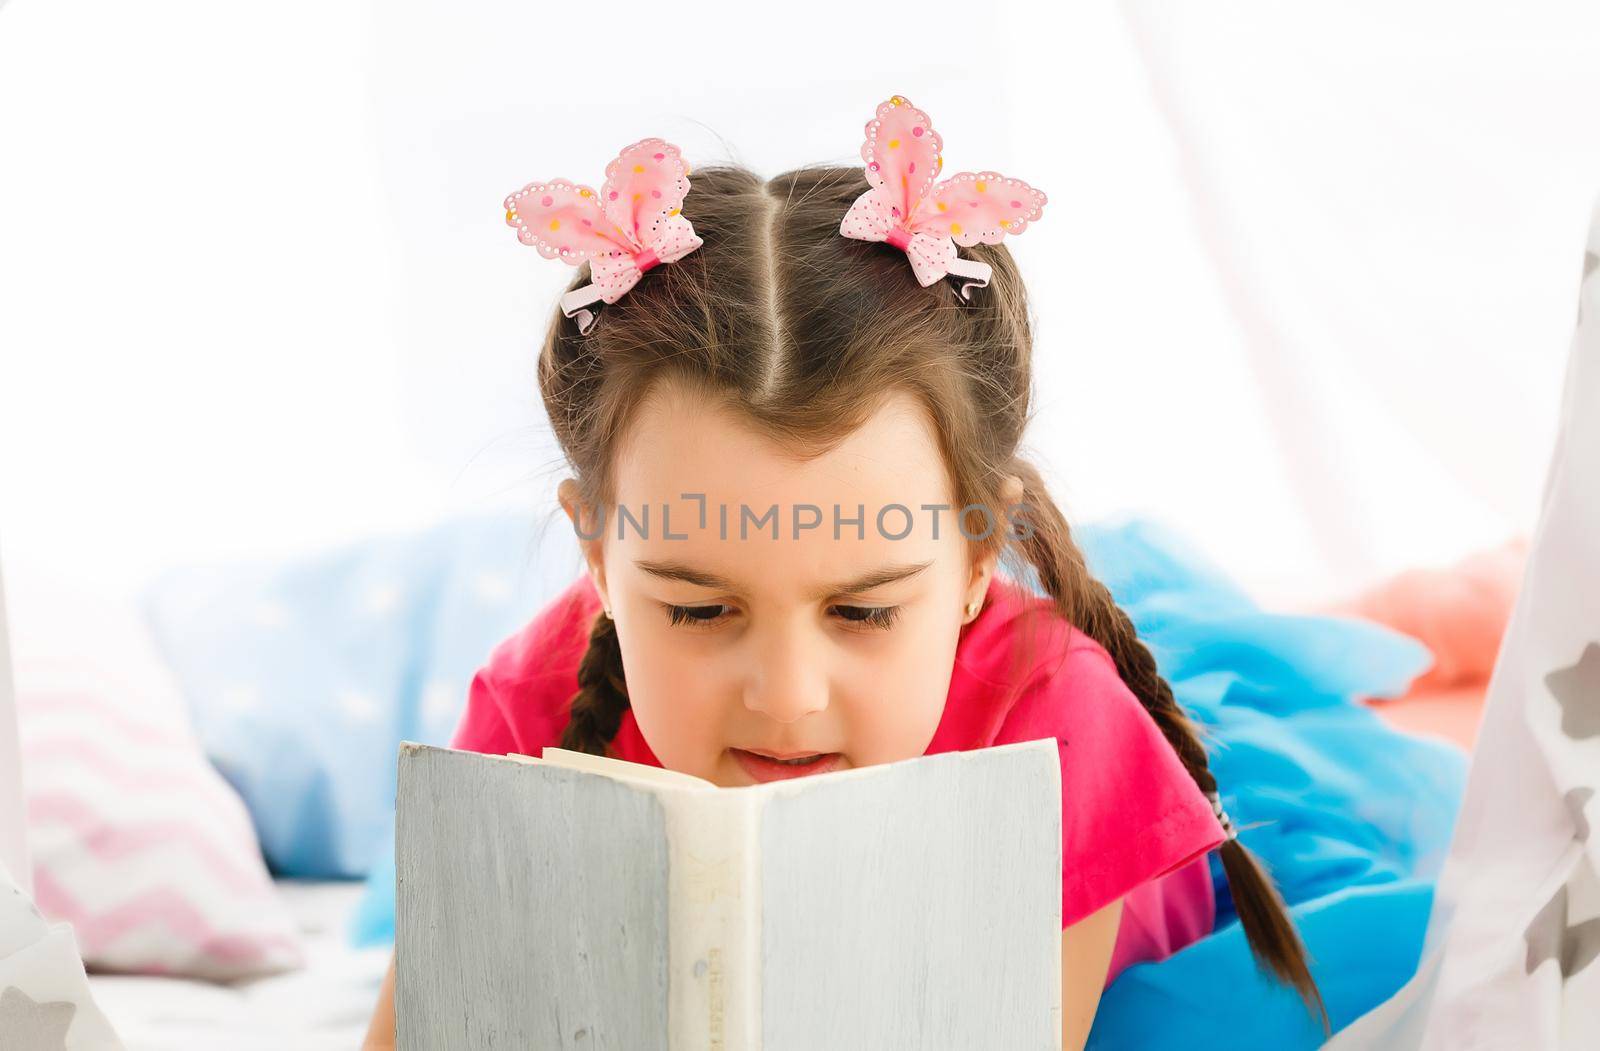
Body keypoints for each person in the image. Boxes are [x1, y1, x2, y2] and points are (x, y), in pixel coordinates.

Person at [363, 94, 1325, 1049]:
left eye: (862, 611)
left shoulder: (1056, 731)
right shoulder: (533, 699)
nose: (787, 699)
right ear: (598, 558)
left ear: (977, 558)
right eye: (698, 610)